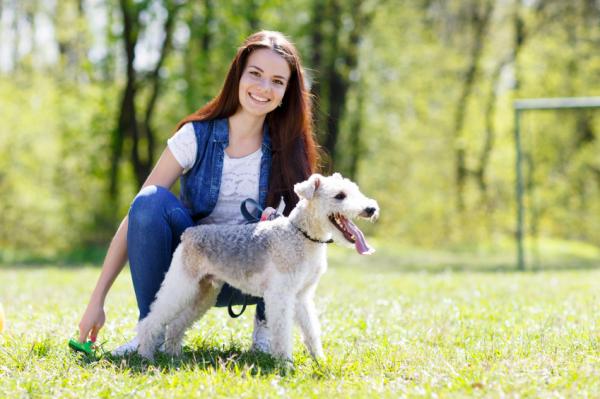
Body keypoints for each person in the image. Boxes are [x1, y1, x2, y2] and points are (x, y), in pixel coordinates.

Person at [77, 30, 319, 355]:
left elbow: (306, 237)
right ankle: (152, 332)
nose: (264, 88)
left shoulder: (289, 148)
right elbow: (137, 215)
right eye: (256, 74)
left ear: (287, 92)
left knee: (292, 232)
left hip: (256, 281)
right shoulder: (196, 136)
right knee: (150, 201)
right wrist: (98, 300)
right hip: (191, 270)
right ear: (238, 75)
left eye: (277, 81)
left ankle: (266, 330)